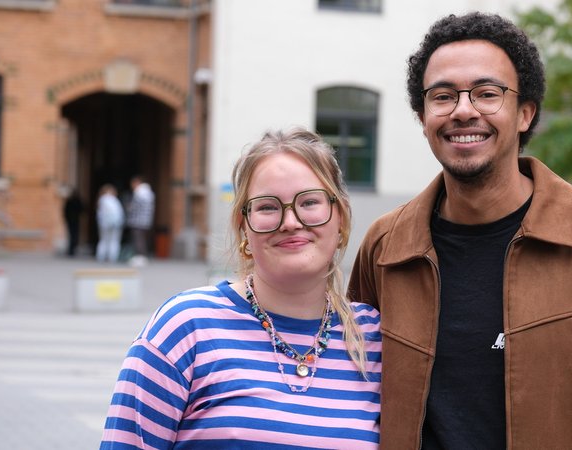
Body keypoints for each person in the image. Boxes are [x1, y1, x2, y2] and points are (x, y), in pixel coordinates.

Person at [347, 12, 572, 449]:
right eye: (443, 96)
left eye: (487, 93)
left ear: (525, 113)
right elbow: (352, 400)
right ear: (423, 116)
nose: (463, 110)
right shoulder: (386, 248)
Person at [100, 128, 382, 449]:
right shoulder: (184, 329)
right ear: (243, 226)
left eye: (309, 202)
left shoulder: (374, 338)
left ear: (341, 218)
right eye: (267, 207)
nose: (290, 222)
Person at [126, 175, 154, 266]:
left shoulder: (140, 192)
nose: (132, 186)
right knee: (142, 239)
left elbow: (135, 206)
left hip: (138, 220)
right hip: (145, 220)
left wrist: (129, 207)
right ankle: (142, 256)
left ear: (136, 183)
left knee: (138, 239)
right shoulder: (148, 192)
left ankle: (140, 257)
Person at [95, 184, 125, 263]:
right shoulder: (112, 200)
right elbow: (117, 213)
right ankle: (112, 256)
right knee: (113, 240)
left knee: (104, 240)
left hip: (104, 224)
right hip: (114, 223)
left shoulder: (101, 200)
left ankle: (101, 256)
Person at [63, 187, 84, 257]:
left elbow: (65, 211)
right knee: (74, 234)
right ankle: (72, 249)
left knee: (72, 234)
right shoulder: (76, 201)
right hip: (74, 220)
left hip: (71, 220)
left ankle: (72, 249)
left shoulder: (71, 201)